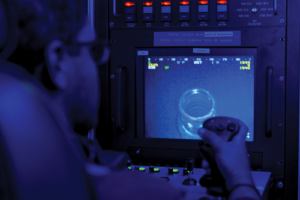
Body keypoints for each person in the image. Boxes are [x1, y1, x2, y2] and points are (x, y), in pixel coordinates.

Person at [3, 0, 260, 199]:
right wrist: (241, 181)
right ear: (57, 62)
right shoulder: (135, 192)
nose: (99, 63)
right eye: (93, 49)